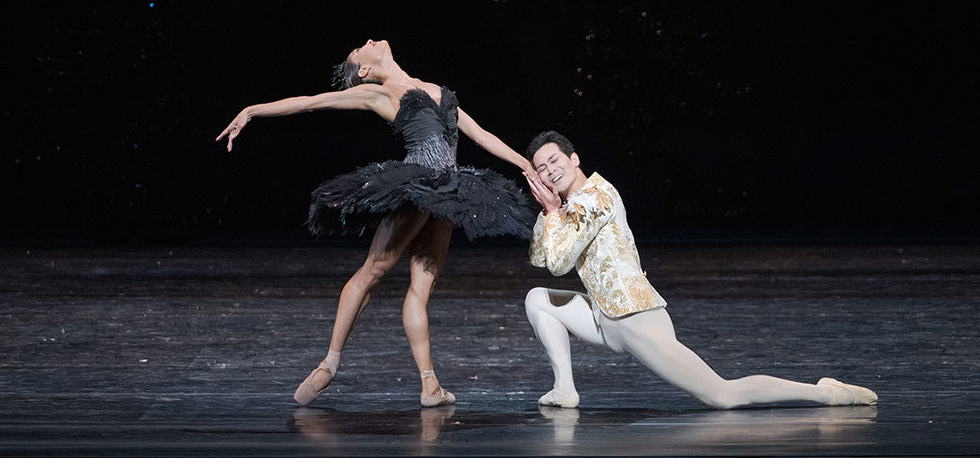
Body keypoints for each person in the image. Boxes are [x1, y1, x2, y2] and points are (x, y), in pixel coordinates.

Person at [216, 39, 534, 407]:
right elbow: (311, 102)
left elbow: (481, 135)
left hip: (448, 192)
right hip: (417, 186)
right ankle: (329, 363)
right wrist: (251, 110)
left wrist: (525, 165)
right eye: (359, 49)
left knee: (420, 290)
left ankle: (429, 385)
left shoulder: (437, 91)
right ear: (365, 69)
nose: (367, 41)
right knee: (375, 269)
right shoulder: (378, 93)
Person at [522, 130, 877, 409]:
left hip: (635, 319)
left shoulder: (595, 198)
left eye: (554, 161)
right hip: (604, 317)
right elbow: (541, 258)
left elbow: (558, 263)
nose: (550, 171)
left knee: (722, 395)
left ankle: (826, 393)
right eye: (541, 168)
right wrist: (548, 213)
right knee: (537, 299)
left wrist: (553, 214)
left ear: (574, 158)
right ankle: (564, 390)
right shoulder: (568, 207)